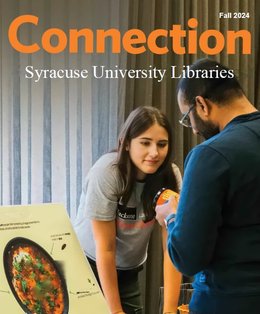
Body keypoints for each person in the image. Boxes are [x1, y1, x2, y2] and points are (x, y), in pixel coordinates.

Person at [155, 58, 260, 314]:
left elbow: (188, 258)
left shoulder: (211, 155)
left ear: (201, 104)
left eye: (187, 117)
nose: (192, 129)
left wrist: (171, 217)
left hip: (228, 301)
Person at [73, 106, 182, 314]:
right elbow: (105, 247)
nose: (154, 153)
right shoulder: (107, 172)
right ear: (126, 144)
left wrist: (169, 310)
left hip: (128, 269)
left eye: (162, 144)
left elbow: (172, 246)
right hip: (88, 264)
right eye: (145, 143)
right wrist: (116, 311)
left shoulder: (170, 176)